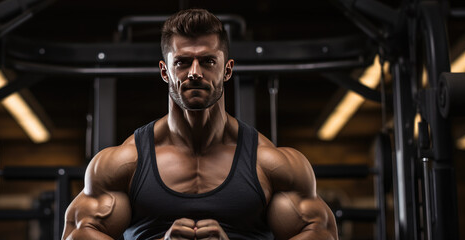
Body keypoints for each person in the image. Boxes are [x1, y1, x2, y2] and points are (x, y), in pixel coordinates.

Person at [63, 8, 338, 240]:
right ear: (164, 71)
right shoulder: (123, 163)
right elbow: (75, 234)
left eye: (207, 61)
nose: (195, 73)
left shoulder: (269, 164)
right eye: (182, 62)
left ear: (227, 69)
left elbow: (323, 233)